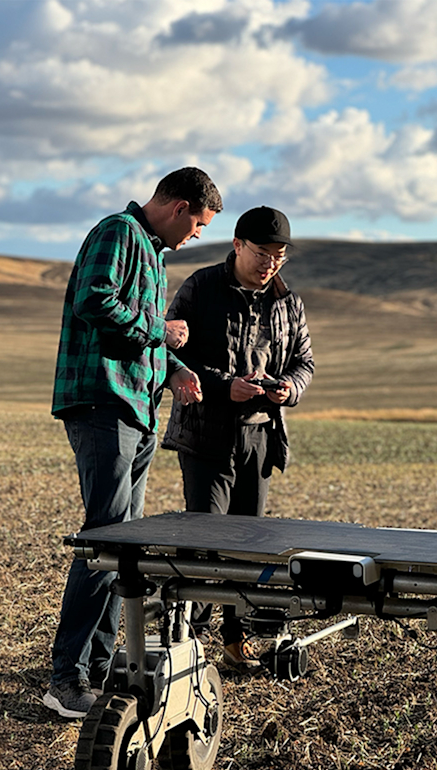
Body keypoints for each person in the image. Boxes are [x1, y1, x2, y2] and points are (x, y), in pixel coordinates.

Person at [45, 167, 222, 718]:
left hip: (136, 408)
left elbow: (137, 333)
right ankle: (66, 678)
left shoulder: (154, 252)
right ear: (176, 205)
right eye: (197, 222)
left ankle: (96, 670)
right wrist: (159, 331)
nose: (196, 235)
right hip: (103, 403)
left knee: (123, 546)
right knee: (106, 541)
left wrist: (172, 367)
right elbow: (94, 302)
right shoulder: (118, 232)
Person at [161, 206, 314, 668]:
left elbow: (305, 363)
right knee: (205, 542)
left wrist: (288, 390)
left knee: (249, 545)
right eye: (262, 253)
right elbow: (169, 352)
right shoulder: (201, 288)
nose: (270, 263)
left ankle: (234, 638)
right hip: (206, 434)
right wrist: (224, 385)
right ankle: (186, 641)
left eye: (279, 255)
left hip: (261, 437)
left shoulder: (290, 303)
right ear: (237, 245)